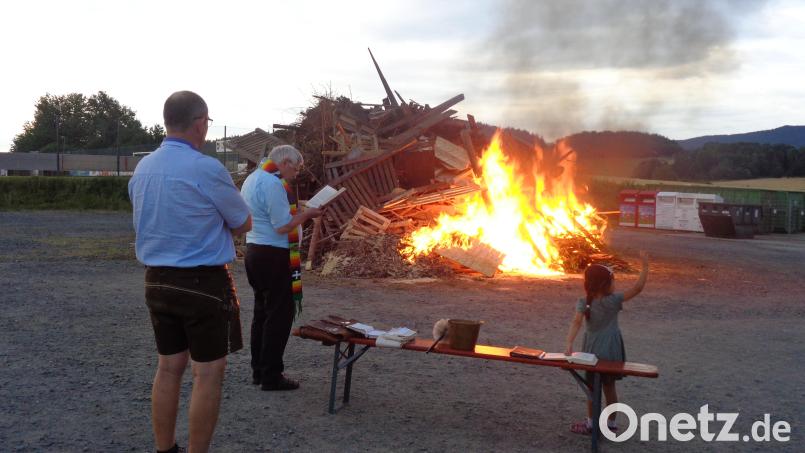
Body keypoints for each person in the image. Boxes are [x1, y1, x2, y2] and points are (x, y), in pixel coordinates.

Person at [128, 91, 252, 453]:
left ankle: (164, 448)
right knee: (207, 373)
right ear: (200, 123)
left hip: (156, 280)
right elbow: (242, 221)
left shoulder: (144, 167)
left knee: (168, 367)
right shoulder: (206, 168)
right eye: (207, 124)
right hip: (202, 283)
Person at [240, 145, 322, 391]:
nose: (296, 174)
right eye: (295, 168)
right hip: (273, 254)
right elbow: (283, 226)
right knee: (278, 315)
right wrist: (308, 215)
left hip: (255, 250)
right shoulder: (272, 183)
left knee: (262, 313)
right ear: (284, 162)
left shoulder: (253, 178)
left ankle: (259, 370)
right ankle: (272, 375)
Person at [564, 251, 649, 435]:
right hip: (611, 349)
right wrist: (645, 267)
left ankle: (591, 423)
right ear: (605, 284)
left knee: (591, 388)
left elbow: (576, 322)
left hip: (591, 350)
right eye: (613, 281)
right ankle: (610, 423)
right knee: (609, 388)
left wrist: (569, 343)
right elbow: (637, 288)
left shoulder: (583, 302)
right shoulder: (614, 301)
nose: (615, 284)